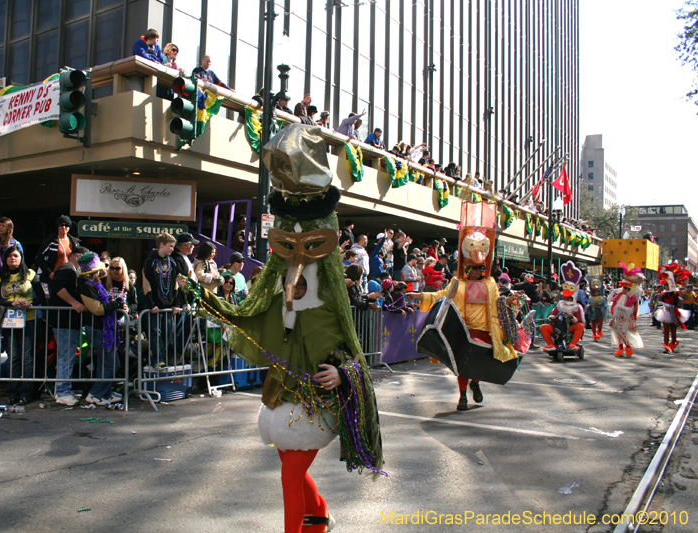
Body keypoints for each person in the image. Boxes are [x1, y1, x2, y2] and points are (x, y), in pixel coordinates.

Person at [185, 126, 384, 532]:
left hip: (313, 398)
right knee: (289, 466)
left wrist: (341, 372)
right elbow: (252, 313)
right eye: (287, 241)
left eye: (309, 242)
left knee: (290, 474)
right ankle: (319, 515)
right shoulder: (276, 290)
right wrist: (212, 299)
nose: (297, 251)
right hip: (282, 391)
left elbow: (347, 345)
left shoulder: (329, 299)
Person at [407, 202, 522, 411]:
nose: (479, 270)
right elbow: (443, 296)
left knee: (476, 363)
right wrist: (419, 295)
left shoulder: (491, 284)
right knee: (462, 364)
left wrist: (511, 300)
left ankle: (475, 385)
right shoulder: (458, 283)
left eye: (481, 268)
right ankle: (462, 396)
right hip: (463, 328)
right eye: (475, 268)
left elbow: (499, 304)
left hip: (486, 330)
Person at [0, 246, 44, 405]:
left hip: (28, 319)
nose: (13, 259)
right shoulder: (0, 276)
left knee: (27, 358)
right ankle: (12, 393)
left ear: (21, 258)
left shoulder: (30, 274)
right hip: (9, 321)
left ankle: (26, 393)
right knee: (13, 357)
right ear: (5, 259)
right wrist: (11, 303)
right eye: (10, 256)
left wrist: (28, 303)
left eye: (16, 256)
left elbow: (41, 296)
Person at [77, 252, 126, 405]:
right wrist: (116, 304)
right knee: (110, 363)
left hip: (104, 328)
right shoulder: (86, 287)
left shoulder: (96, 285)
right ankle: (96, 394)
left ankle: (104, 393)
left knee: (107, 363)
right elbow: (97, 309)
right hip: (98, 329)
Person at [48, 245, 88, 405]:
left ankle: (64, 389)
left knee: (68, 356)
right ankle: (62, 391)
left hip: (69, 321)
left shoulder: (71, 271)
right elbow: (57, 287)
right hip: (64, 321)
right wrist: (74, 303)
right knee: (66, 356)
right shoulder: (66, 269)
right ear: (78, 256)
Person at [142, 233, 187, 368]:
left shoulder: (172, 262)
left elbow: (175, 284)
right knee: (156, 333)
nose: (172, 249)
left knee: (169, 332)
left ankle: (162, 356)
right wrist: (151, 304)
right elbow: (146, 284)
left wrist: (176, 304)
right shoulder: (150, 262)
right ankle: (157, 359)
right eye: (170, 246)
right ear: (161, 245)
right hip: (155, 306)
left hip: (168, 304)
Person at [539, 262, 585, 352]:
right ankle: (551, 345)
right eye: (565, 298)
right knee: (543, 327)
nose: (566, 300)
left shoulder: (577, 307)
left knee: (580, 326)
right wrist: (552, 318)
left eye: (568, 298)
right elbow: (553, 315)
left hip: (570, 327)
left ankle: (573, 344)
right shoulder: (559, 305)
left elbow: (580, 320)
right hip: (558, 327)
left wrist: (572, 318)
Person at [609, 262, 645, 357]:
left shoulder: (631, 298)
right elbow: (611, 302)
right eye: (623, 287)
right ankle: (621, 348)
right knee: (617, 333)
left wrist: (622, 308)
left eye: (625, 287)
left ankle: (628, 346)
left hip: (625, 318)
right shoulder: (619, 295)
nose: (623, 289)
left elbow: (631, 309)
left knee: (622, 332)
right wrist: (612, 293)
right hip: (616, 316)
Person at [656, 264, 691, 354]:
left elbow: (674, 304)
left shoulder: (675, 294)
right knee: (666, 331)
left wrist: (665, 304)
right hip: (665, 313)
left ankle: (673, 344)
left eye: (667, 286)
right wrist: (660, 302)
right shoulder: (664, 294)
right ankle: (666, 345)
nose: (666, 287)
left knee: (673, 331)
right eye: (665, 286)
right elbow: (661, 301)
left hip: (673, 313)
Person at [36, 215, 81, 283]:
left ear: (69, 227)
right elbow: (39, 258)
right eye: (61, 225)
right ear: (57, 226)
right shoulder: (50, 242)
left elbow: (79, 258)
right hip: (55, 276)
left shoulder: (74, 242)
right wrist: (49, 273)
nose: (63, 227)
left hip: (70, 276)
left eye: (66, 225)